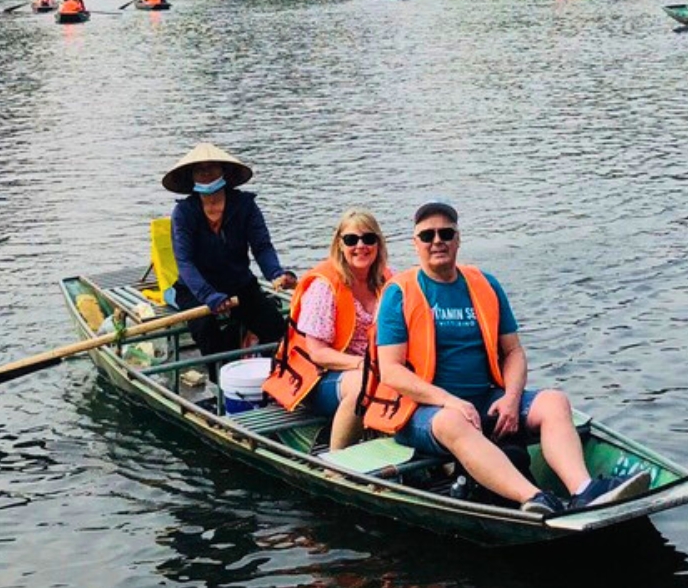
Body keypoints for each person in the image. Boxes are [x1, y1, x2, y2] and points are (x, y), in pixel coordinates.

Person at [363, 202, 652, 515]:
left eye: (446, 233)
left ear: (458, 239)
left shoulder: (484, 284)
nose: (437, 241)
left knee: (554, 401)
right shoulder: (400, 292)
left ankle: (584, 490)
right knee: (453, 420)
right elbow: (391, 371)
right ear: (415, 243)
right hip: (421, 411)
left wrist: (512, 399)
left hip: (484, 398)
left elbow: (513, 351)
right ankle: (535, 498)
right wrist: (449, 401)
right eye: (427, 235)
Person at [265, 209, 391, 450]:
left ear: (378, 243)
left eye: (368, 239)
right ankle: (337, 459)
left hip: (374, 368)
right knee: (364, 383)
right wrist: (363, 365)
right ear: (340, 245)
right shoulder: (324, 287)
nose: (361, 246)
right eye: (351, 240)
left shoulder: (387, 281)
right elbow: (318, 353)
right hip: (320, 377)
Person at [163, 143, 295, 358]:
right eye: (199, 169)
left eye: (212, 167)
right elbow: (184, 261)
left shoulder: (245, 205)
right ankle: (219, 373)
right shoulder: (184, 213)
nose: (206, 173)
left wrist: (276, 274)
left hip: (239, 284)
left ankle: (275, 371)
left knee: (277, 330)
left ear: (223, 171)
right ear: (192, 176)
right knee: (206, 331)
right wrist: (208, 295)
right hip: (196, 290)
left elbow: (262, 247)